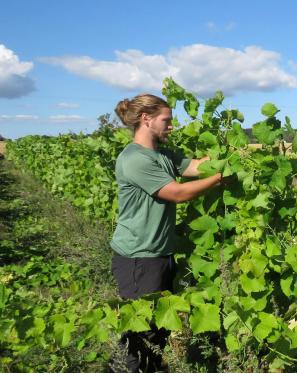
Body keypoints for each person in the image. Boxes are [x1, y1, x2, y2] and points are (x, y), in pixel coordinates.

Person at [111, 94, 223, 372]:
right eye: (167, 120)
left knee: (158, 329)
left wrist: (227, 157)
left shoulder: (162, 155)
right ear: (146, 119)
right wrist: (220, 178)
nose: (171, 126)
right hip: (138, 256)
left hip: (160, 252)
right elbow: (178, 193)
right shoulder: (135, 159)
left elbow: (196, 166)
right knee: (140, 335)